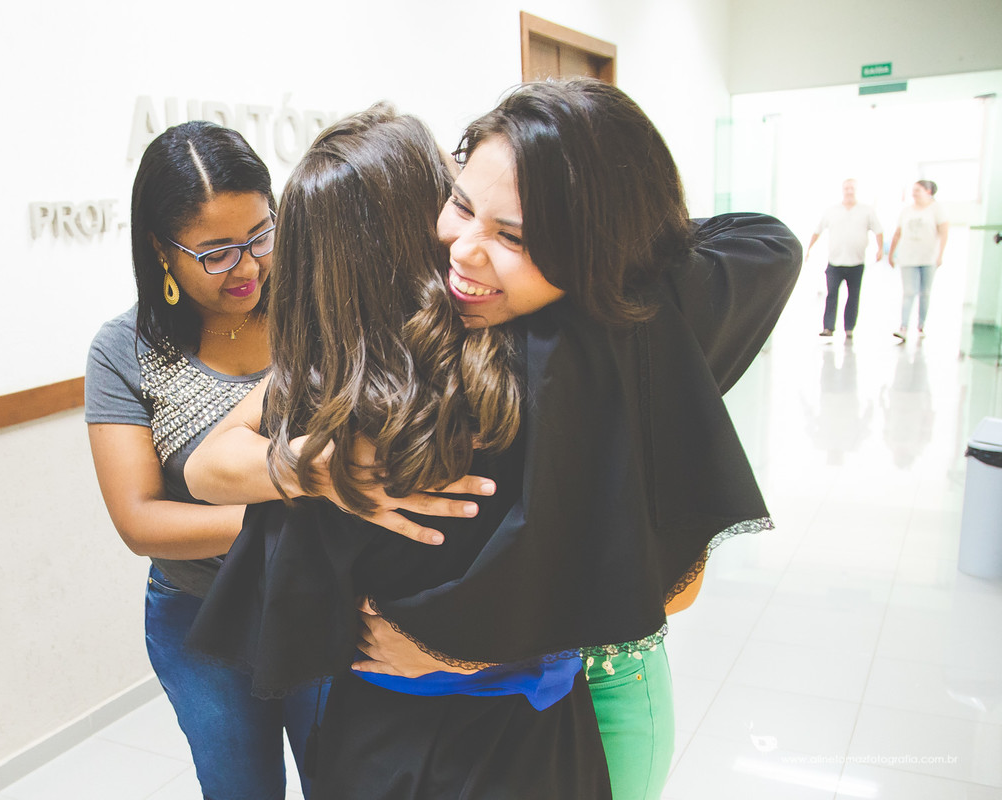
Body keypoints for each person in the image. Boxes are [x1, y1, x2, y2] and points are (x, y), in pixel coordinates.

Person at [189, 82, 802, 800]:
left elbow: (672, 586)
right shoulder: (371, 378)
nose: (466, 251)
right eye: (459, 204)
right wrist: (322, 469)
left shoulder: (593, 347)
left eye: (514, 234)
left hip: (578, 688)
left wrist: (472, 644)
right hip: (486, 728)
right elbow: (209, 464)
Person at [185, 104, 612, 799]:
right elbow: (620, 565)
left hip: (376, 733)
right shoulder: (527, 370)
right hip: (516, 737)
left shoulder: (323, 393)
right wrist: (322, 472)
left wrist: (312, 467)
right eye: (455, 195)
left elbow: (206, 468)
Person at [83, 120, 328, 799]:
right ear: (163, 250)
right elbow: (140, 523)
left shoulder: (315, 314)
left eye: (260, 236)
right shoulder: (122, 352)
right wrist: (296, 512)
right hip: (200, 617)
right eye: (217, 252)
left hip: (321, 600)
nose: (248, 267)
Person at [807, 179, 883, 340]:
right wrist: (808, 249)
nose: (849, 191)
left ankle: (849, 328)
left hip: (856, 262)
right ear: (842, 190)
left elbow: (878, 230)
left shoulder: (866, 210)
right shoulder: (831, 210)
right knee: (831, 294)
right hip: (835, 262)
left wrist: (880, 249)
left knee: (853, 296)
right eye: (846, 188)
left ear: (856, 190)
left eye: (852, 188)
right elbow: (817, 231)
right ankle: (828, 327)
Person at [889, 179, 949, 342]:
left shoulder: (936, 209)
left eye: (918, 190)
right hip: (908, 257)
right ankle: (903, 327)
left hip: (928, 257)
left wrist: (940, 254)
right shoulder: (906, 211)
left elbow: (944, 232)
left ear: (928, 191)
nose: (914, 193)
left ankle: (921, 325)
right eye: (913, 190)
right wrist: (891, 254)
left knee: (925, 292)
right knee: (909, 292)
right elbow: (897, 233)